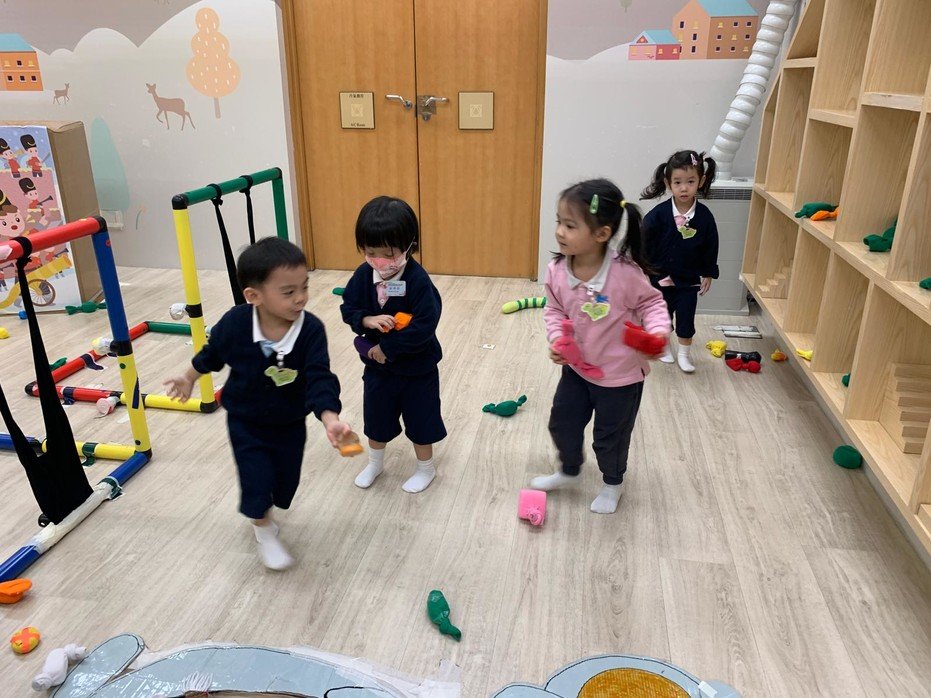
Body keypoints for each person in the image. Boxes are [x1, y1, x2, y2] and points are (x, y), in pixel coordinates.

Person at [164, 237, 350, 570]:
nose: (301, 298)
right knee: (256, 478)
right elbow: (212, 354)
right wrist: (188, 377)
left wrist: (330, 418)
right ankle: (262, 527)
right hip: (245, 420)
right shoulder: (236, 324)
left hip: (290, 422)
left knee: (285, 482)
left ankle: (267, 510)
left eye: (304, 287)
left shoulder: (310, 330)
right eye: (288, 292)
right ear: (254, 296)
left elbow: (320, 377)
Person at [531, 179, 670, 514]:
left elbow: (653, 303)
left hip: (620, 379)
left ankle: (612, 483)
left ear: (602, 234)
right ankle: (569, 470)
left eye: (570, 225)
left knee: (610, 437)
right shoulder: (556, 270)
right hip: (578, 371)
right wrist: (557, 339)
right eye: (559, 222)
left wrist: (657, 333)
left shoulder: (625, 274)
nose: (559, 231)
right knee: (562, 423)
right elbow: (554, 310)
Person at [340, 196, 446, 493]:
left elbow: (425, 324)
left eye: (388, 254)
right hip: (378, 370)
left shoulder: (418, 281)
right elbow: (349, 308)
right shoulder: (363, 276)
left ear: (410, 246)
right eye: (370, 252)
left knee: (421, 419)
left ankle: (426, 468)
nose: (379, 261)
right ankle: (375, 463)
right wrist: (366, 320)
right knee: (376, 418)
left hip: (417, 369)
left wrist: (388, 348)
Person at [640, 150, 719, 372]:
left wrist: (709, 272)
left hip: (688, 280)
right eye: (678, 182)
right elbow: (644, 243)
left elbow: (711, 245)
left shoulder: (704, 217)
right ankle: (664, 348)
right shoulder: (657, 215)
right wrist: (643, 271)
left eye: (690, 182)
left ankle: (684, 355)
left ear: (701, 181)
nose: (684, 188)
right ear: (669, 184)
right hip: (660, 278)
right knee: (661, 317)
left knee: (686, 318)